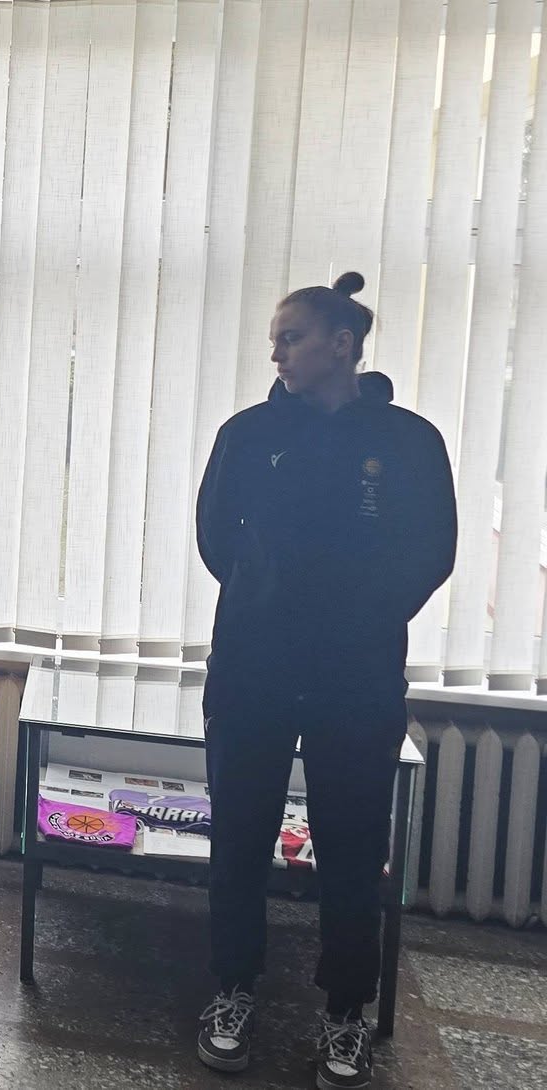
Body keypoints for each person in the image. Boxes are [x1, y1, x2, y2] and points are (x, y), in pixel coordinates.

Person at [193, 272, 455, 1090]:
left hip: (357, 673)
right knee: (240, 837)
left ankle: (345, 1013)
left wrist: (362, 615)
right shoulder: (248, 434)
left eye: (291, 337)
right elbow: (215, 537)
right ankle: (233, 990)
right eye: (274, 339)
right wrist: (267, 599)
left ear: (341, 345)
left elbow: (432, 551)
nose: (275, 351)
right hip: (253, 665)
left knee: (351, 848)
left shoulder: (409, 442)